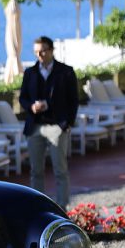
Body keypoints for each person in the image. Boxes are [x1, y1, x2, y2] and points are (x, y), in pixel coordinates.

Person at [18, 36, 79, 207]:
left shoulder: (66, 72)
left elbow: (73, 100)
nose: (40, 54)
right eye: (36, 51)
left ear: (51, 50)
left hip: (57, 126)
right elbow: (22, 98)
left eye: (43, 50)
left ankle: (62, 207)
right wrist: (31, 106)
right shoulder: (30, 73)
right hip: (35, 127)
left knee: (60, 170)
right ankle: (38, 207)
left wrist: (67, 124)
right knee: (35, 171)